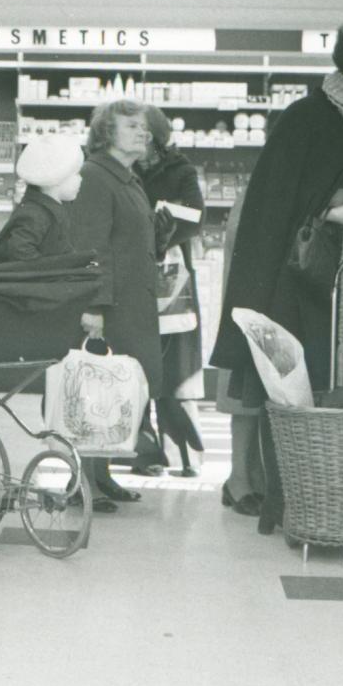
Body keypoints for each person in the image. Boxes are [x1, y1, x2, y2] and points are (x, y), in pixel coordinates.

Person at [208, 16, 343, 535]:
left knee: (342, 400)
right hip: (304, 295)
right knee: (300, 405)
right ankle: (299, 507)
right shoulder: (305, 120)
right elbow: (276, 208)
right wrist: (329, 214)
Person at [69, 99, 164, 512]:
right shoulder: (95, 176)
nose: (143, 133)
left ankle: (101, 475)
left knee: (116, 393)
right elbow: (92, 247)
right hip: (110, 307)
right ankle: (83, 482)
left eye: (145, 127)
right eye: (131, 126)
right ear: (106, 132)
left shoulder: (127, 177)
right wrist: (95, 306)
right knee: (97, 393)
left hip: (131, 303)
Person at [134, 105, 206, 478]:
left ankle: (184, 455)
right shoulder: (124, 167)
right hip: (134, 275)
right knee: (140, 366)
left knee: (176, 370)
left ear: (158, 137)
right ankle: (144, 452)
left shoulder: (180, 170)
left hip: (171, 277)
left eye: (145, 132)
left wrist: (163, 235)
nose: (138, 138)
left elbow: (196, 217)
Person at [215, 191, 264, 517]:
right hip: (250, 302)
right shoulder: (255, 196)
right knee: (244, 391)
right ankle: (239, 479)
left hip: (258, 300)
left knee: (257, 395)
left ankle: (253, 476)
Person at [0, 134, 83, 263]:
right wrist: (48, 272)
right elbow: (19, 250)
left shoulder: (51, 208)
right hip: (12, 281)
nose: (81, 179)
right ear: (56, 179)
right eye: (76, 173)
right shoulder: (35, 214)